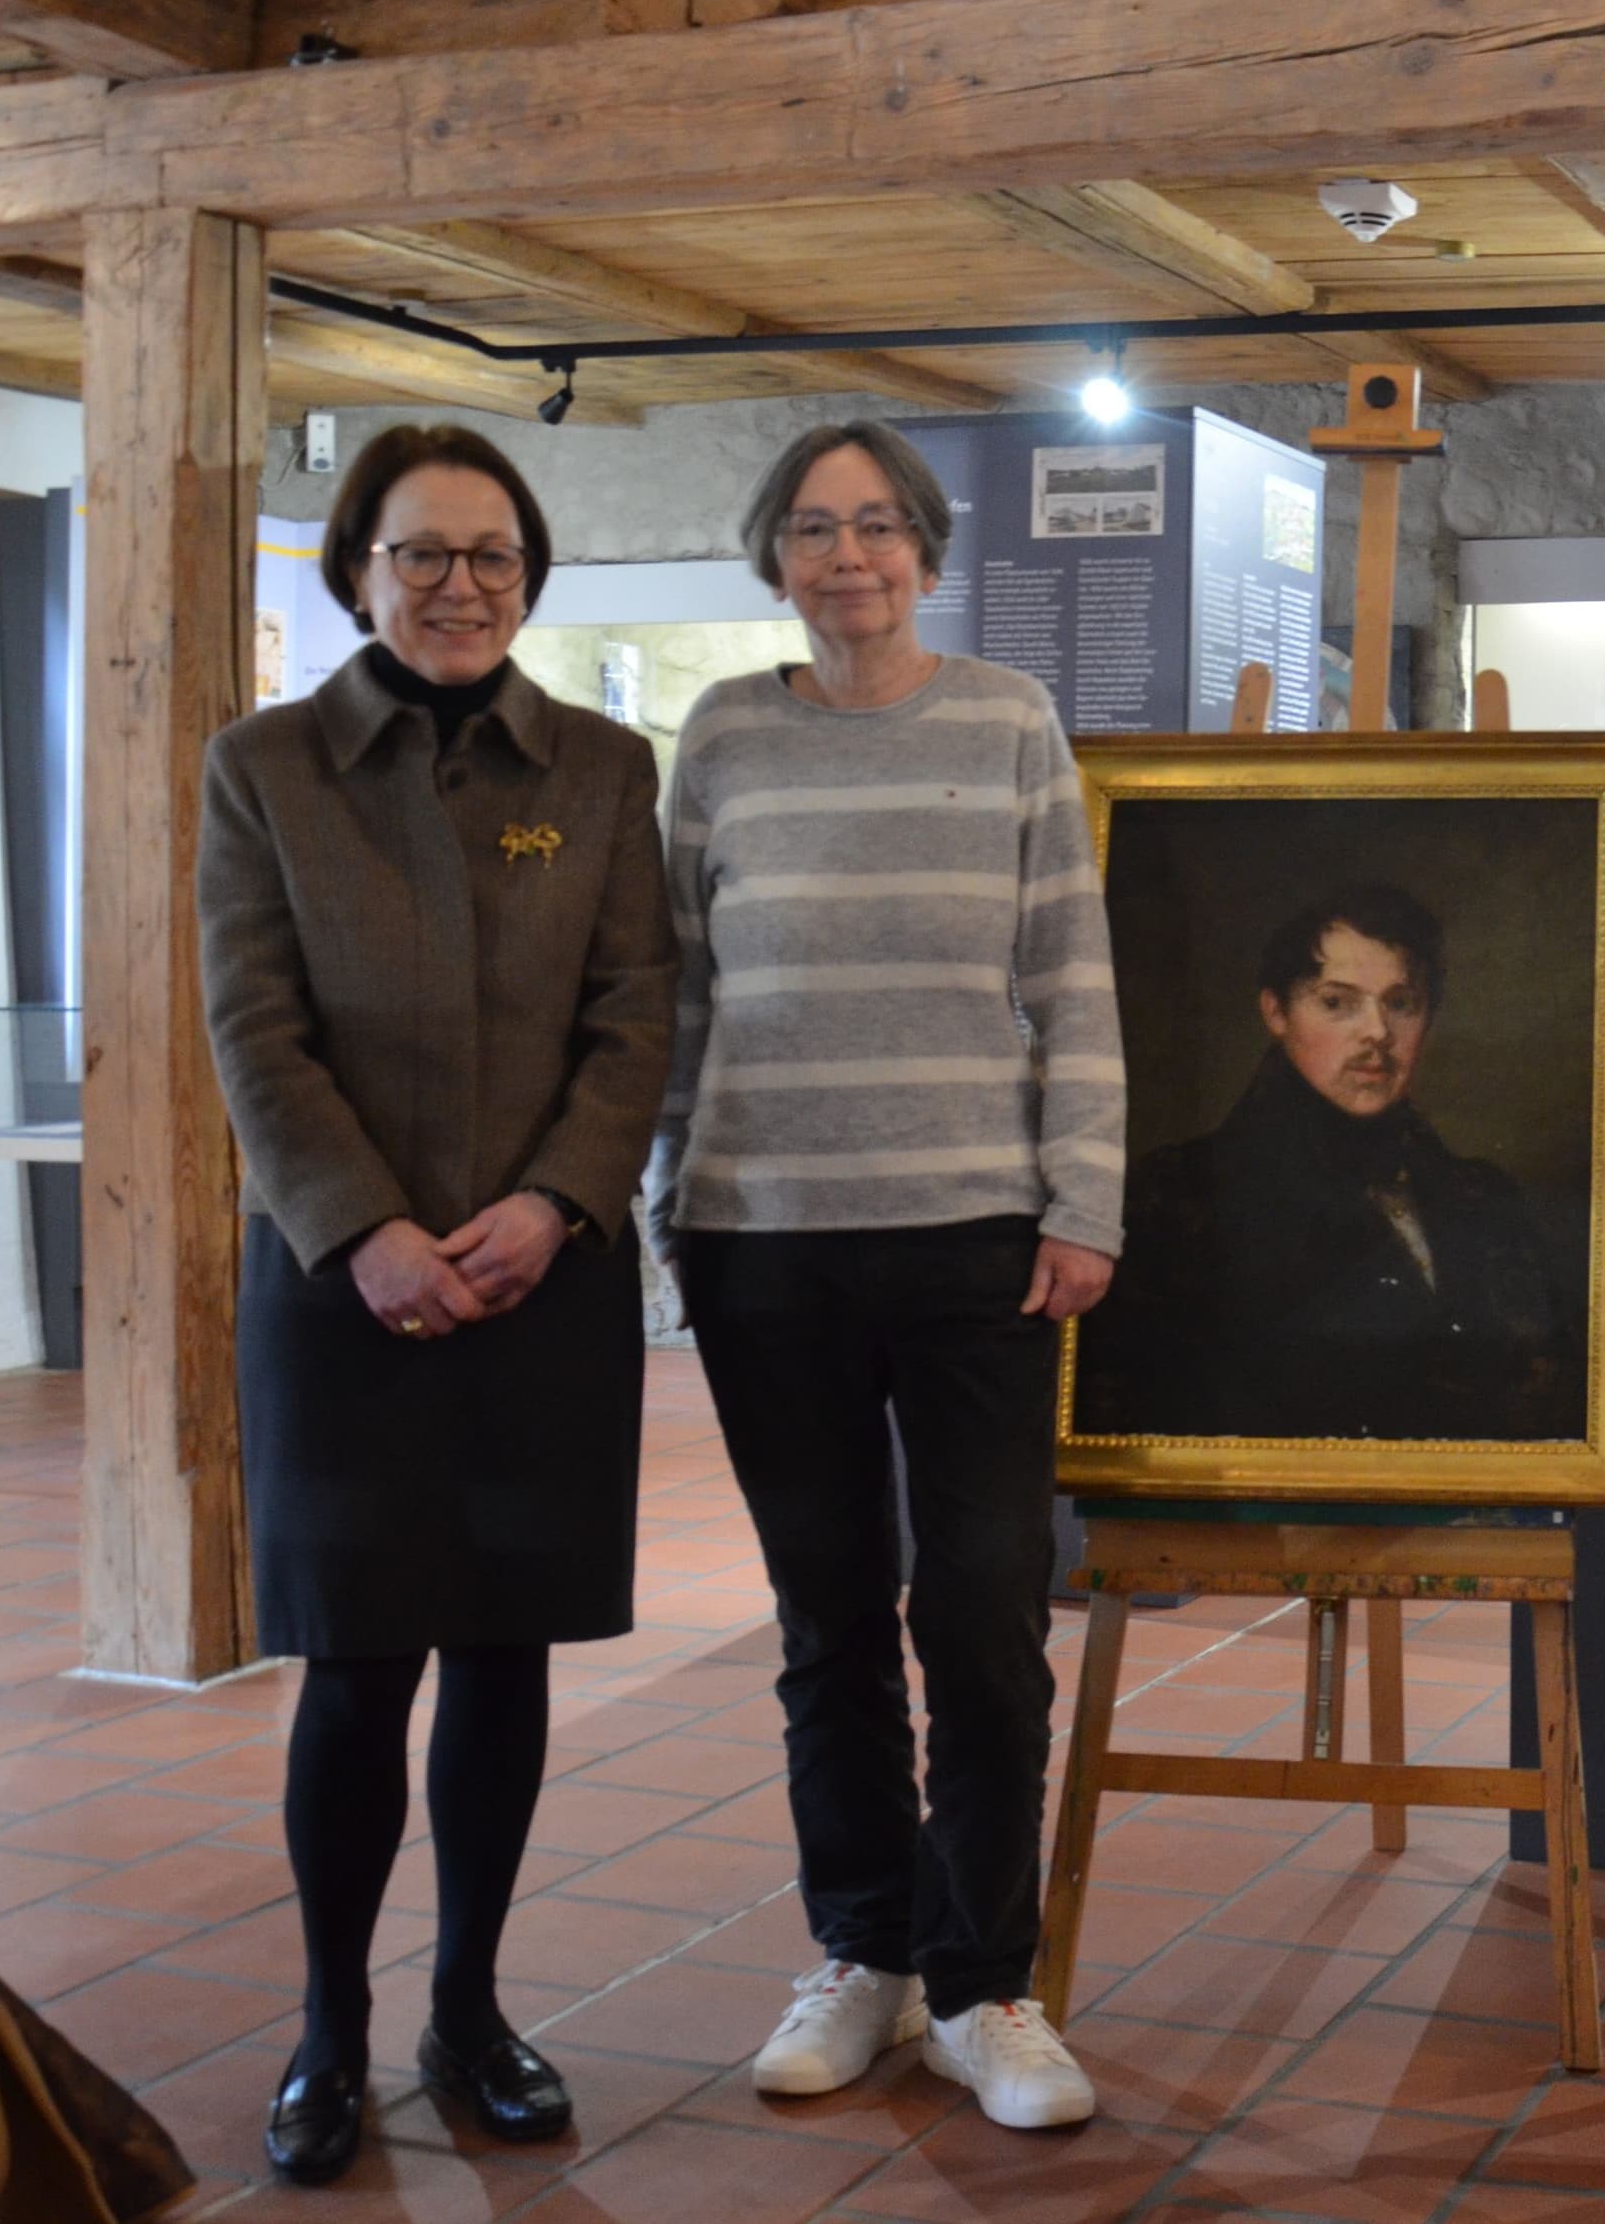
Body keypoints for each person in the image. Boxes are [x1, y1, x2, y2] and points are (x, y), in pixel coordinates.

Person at [197, 424, 674, 2185]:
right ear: (359, 570)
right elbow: (255, 1028)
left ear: (528, 578)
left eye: (492, 555)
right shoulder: (263, 766)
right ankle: (327, 2025)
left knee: (503, 1650)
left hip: (545, 1285)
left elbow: (636, 1014)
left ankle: (468, 2007)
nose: (459, 585)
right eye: (422, 553)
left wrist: (551, 1206)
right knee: (353, 1665)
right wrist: (369, 1231)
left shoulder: (605, 768)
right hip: (343, 1294)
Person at [657, 420, 1123, 2135]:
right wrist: (667, 1192)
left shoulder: (1007, 720)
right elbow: (679, 991)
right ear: (773, 556)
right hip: (763, 1235)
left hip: (973, 1239)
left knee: (986, 1615)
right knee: (830, 1615)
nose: (846, 555)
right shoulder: (723, 733)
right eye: (811, 527)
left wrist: (1086, 1198)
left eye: (875, 525)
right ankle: (863, 1952)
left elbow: (1071, 976)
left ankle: (985, 1983)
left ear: (926, 549)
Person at [1078, 883, 1581, 1443]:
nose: (1377, 1032)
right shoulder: (1179, 1194)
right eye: (1337, 1003)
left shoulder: (1482, 1197)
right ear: (1276, 1011)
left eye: (1400, 1003)